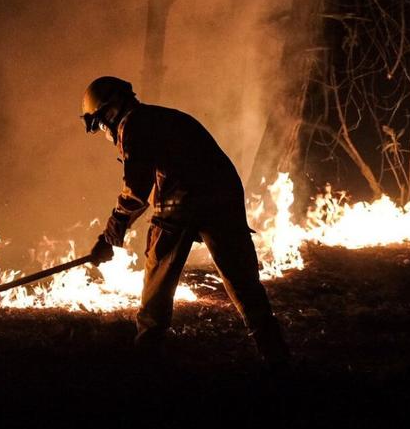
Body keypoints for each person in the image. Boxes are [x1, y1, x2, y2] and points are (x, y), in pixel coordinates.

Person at [82, 76, 290, 368]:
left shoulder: (133, 126)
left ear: (110, 112)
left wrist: (109, 236)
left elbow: (135, 192)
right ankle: (277, 356)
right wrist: (113, 236)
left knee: (157, 283)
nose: (104, 131)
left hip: (181, 203)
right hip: (224, 198)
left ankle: (145, 360)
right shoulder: (161, 118)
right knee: (243, 283)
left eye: (100, 124)